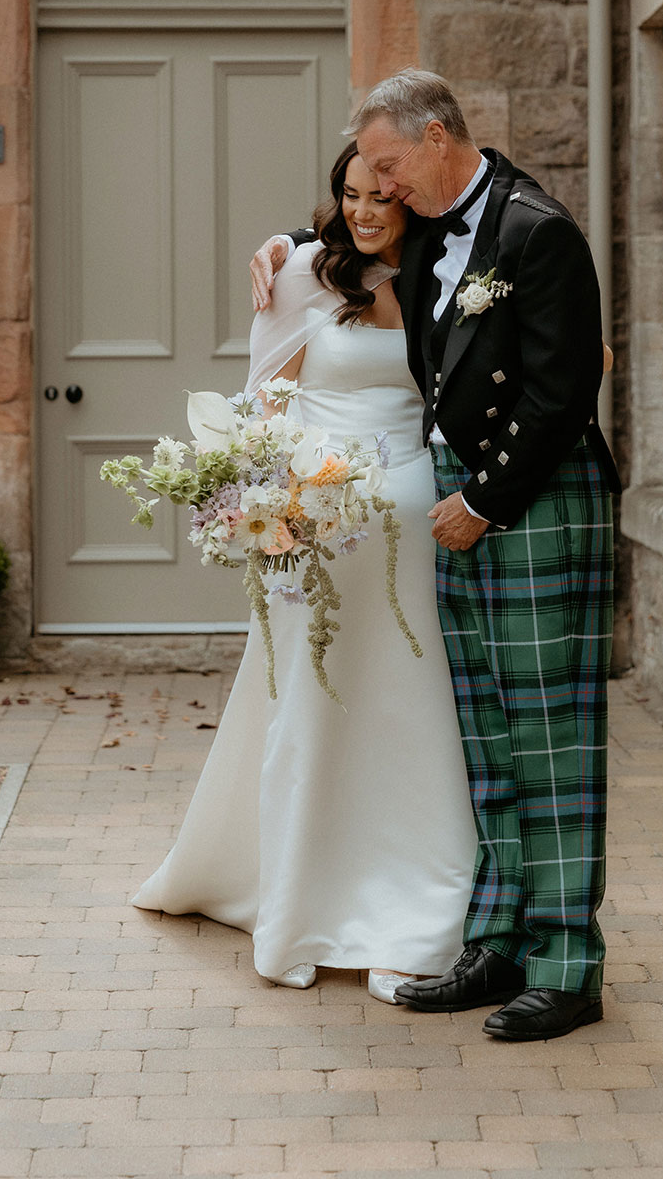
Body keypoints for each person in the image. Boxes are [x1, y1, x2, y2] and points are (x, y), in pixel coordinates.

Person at [251, 68, 620, 1042]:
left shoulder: (535, 231)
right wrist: (284, 246)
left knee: (550, 741)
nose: (377, 182)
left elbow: (567, 388)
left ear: (436, 137)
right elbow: (345, 244)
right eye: (366, 169)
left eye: (385, 164)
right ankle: (497, 940)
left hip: (533, 499)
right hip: (457, 500)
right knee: (490, 740)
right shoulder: (428, 234)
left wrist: (485, 501)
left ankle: (570, 968)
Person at [133, 143, 477, 1004]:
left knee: (405, 707)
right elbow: (266, 400)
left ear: (415, 201)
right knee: (310, 702)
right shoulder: (300, 275)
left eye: (381, 197)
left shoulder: (446, 278)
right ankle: (294, 899)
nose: (363, 213)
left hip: (411, 528)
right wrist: (266, 502)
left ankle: (410, 891)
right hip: (312, 526)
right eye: (350, 196)